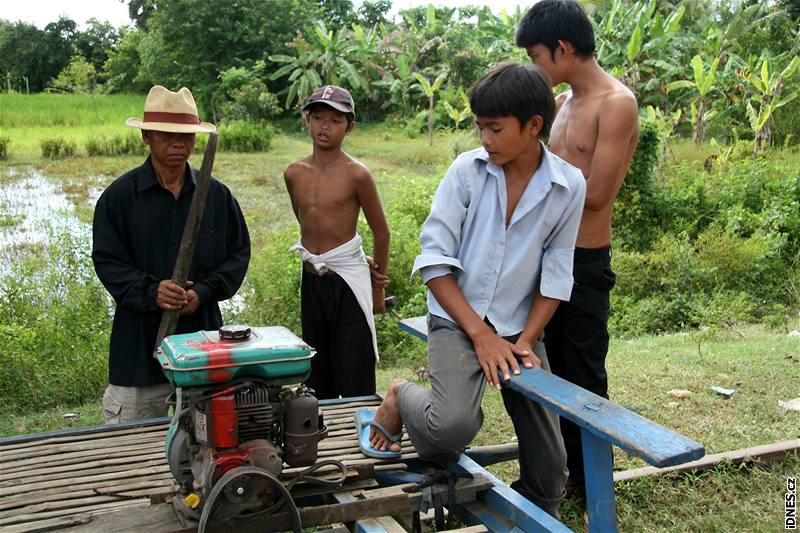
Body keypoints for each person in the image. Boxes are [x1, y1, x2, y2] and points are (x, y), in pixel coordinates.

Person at [367, 63, 585, 518]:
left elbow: (557, 273)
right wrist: (480, 336)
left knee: (551, 469)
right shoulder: (467, 172)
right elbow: (435, 263)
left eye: (495, 128)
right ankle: (399, 395)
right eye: (479, 126)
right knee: (448, 430)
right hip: (455, 318)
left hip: (520, 327)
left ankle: (531, 511)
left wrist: (525, 341)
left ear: (533, 126)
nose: (484, 137)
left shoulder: (568, 185)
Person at [516, 0, 640, 493]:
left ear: (563, 49)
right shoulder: (562, 104)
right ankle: (555, 473)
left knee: (584, 376)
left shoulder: (616, 103)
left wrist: (531, 192)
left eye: (536, 57)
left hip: (583, 261)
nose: (534, 68)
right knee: (544, 370)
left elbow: (599, 193)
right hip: (544, 258)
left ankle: (591, 484)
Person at [92, 85, 251, 424]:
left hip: (202, 345)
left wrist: (202, 293)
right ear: (147, 137)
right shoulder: (119, 198)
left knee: (206, 442)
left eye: (187, 136)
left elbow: (238, 255)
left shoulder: (217, 196)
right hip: (139, 351)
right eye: (167, 135)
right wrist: (152, 292)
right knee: (132, 449)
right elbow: (107, 261)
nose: (179, 144)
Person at [285, 84, 390, 400]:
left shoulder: (357, 174)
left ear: (350, 126)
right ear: (307, 120)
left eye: (335, 120)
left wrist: (378, 289)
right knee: (318, 368)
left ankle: (361, 434)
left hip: (348, 279)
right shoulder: (293, 173)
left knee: (354, 366)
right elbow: (304, 219)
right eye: (318, 117)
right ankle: (323, 439)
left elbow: (381, 231)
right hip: (313, 278)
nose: (324, 126)